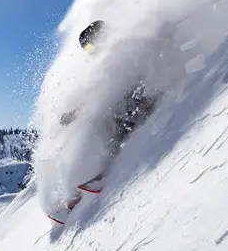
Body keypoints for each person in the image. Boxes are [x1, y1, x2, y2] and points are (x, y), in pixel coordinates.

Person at [50, 20, 162, 224]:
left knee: (109, 125)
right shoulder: (103, 63)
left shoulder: (125, 47)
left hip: (143, 99)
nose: (90, 51)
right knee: (95, 123)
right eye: (87, 49)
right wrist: (72, 115)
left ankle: (102, 171)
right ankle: (78, 185)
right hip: (129, 102)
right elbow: (93, 94)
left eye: (91, 45)